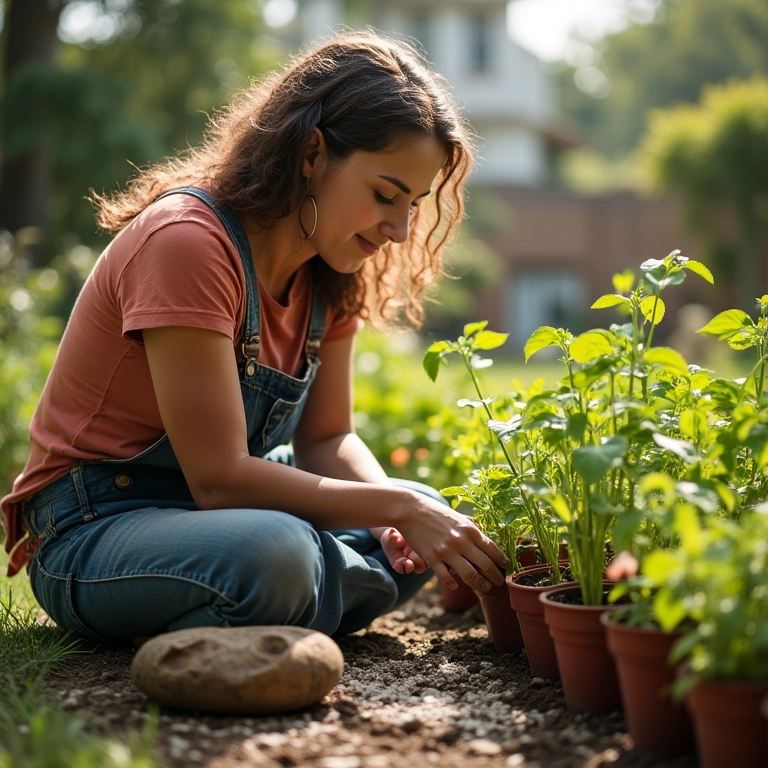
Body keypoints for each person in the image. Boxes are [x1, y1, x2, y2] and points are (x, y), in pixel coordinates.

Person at [1, 31, 509, 644]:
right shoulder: (188, 242)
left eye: (414, 204)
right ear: (312, 154)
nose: (401, 230)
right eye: (384, 195)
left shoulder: (331, 272)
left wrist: (401, 518)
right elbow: (218, 476)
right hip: (98, 525)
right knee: (282, 551)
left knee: (417, 505)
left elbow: (326, 438)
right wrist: (393, 512)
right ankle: (296, 588)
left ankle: (281, 598)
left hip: (222, 517)